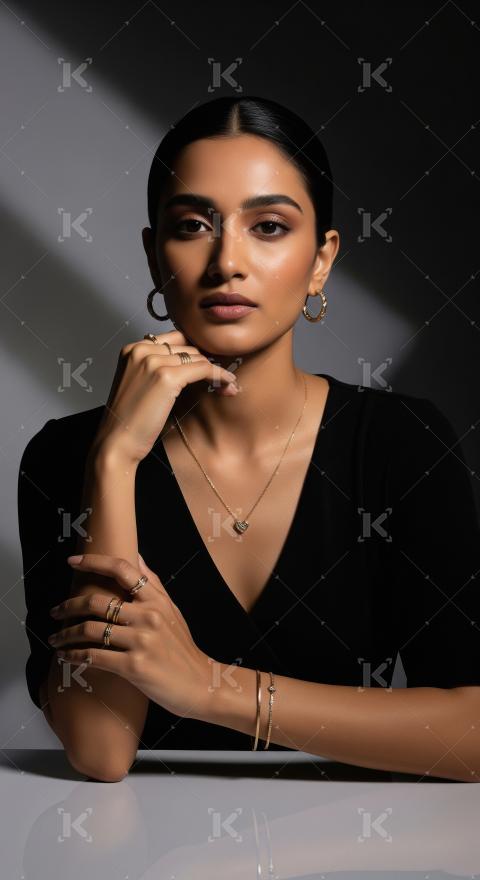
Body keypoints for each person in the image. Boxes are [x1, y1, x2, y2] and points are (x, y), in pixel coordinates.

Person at [18, 95, 480, 782]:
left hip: (353, 854)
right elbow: (101, 751)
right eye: (193, 224)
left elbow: (471, 733)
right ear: (154, 255)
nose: (227, 261)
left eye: (268, 226)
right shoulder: (66, 456)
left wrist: (212, 688)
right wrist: (114, 460)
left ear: (321, 261)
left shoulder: (400, 444)